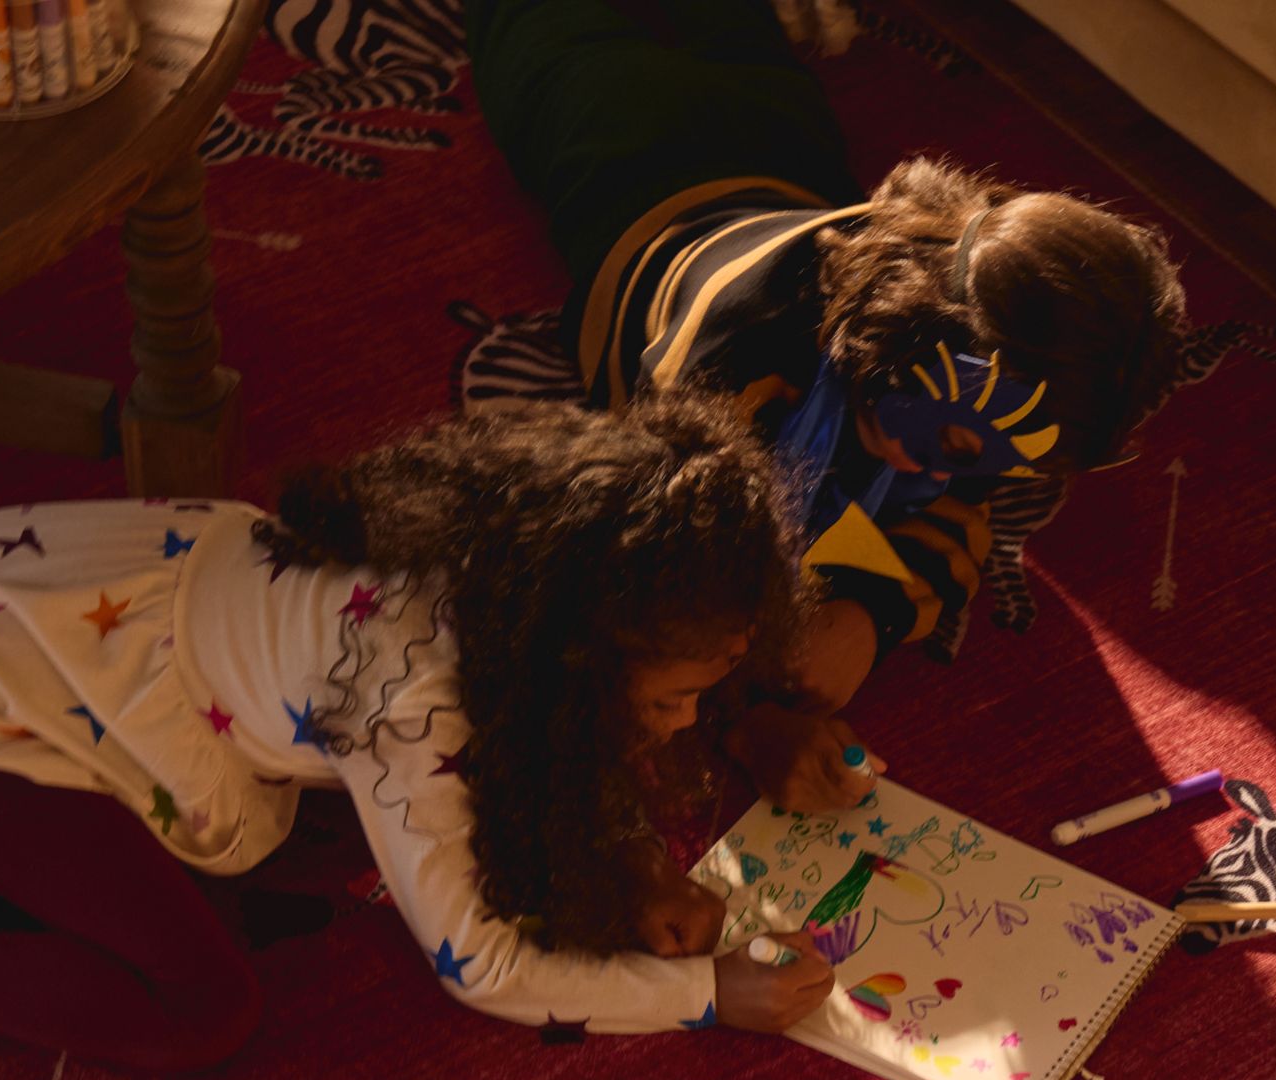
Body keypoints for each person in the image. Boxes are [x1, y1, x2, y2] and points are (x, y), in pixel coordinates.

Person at [0, 397, 840, 1079]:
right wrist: (700, 995)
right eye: (670, 700)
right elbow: (481, 967)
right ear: (578, 654)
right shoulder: (414, 696)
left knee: (271, 845)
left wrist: (625, 876)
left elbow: (535, 767)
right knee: (204, 1003)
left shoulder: (514, 562)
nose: (679, 731)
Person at [468, 0, 1190, 813]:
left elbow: (959, 519)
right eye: (951, 441)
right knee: (531, 28)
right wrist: (750, 718)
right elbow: (657, 596)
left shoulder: (985, 392)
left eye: (984, 460)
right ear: (905, 323)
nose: (939, 469)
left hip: (785, 157)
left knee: (746, 50)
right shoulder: (728, 373)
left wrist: (865, 613)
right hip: (618, 149)